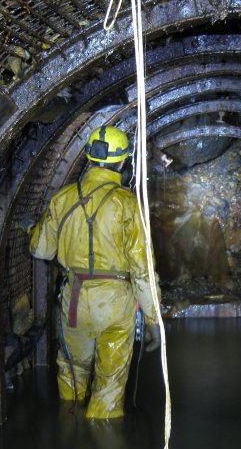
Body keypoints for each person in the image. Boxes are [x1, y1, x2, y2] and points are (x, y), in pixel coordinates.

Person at [28, 124, 161, 419]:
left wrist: (33, 230)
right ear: (124, 161)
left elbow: (41, 250)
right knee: (110, 382)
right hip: (115, 303)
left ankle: (67, 427)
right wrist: (153, 321)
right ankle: (103, 439)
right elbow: (142, 270)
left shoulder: (62, 198)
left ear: (88, 157)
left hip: (74, 300)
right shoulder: (127, 204)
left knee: (73, 371)